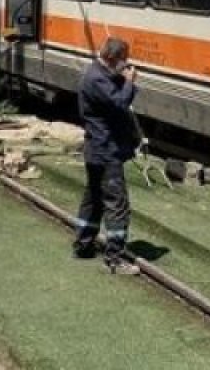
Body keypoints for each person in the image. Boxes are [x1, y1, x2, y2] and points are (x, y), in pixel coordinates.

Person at [72, 38, 141, 275]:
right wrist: (130, 83)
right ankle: (115, 258)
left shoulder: (97, 74)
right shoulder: (96, 79)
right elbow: (119, 103)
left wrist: (121, 78)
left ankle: (83, 244)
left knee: (92, 199)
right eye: (123, 60)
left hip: (95, 149)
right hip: (105, 151)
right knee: (117, 204)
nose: (126, 65)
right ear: (112, 58)